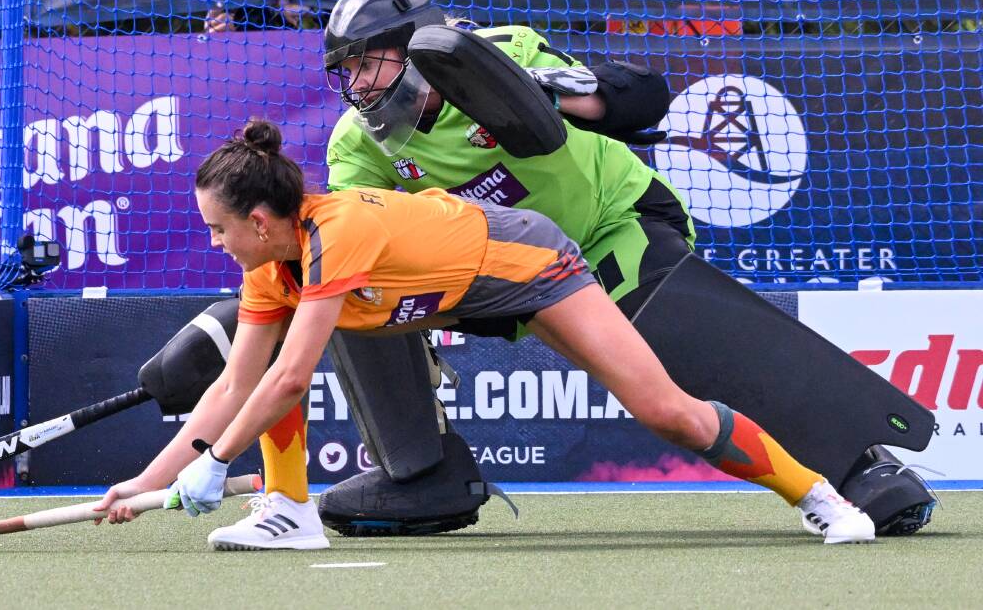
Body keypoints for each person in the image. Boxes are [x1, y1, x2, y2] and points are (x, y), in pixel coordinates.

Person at [193, 0, 936, 547]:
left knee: (675, 366)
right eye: (346, 71)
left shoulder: (503, 52)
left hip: (610, 227)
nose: (357, 85)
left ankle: (856, 465)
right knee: (350, 301)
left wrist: (549, 95)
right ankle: (418, 471)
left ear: (416, 43)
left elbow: (642, 99)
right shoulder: (357, 147)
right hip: (497, 279)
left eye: (368, 63)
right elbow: (358, 244)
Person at [95, 118, 876, 549]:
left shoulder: (338, 231)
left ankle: (820, 495)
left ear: (260, 220)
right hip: (439, 296)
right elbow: (238, 383)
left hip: (523, 265)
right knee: (269, 372)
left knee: (664, 408)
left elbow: (291, 379)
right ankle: (288, 511)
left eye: (219, 227)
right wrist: (148, 478)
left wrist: (218, 461)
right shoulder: (271, 267)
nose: (214, 240)